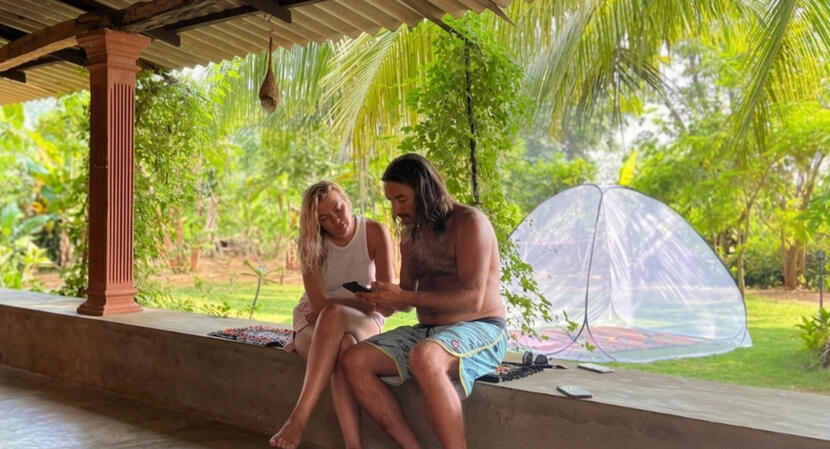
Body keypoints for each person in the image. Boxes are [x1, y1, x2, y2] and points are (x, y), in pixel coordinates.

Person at [342, 154, 507, 449]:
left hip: (481, 327)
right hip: (428, 333)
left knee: (425, 357)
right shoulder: (410, 236)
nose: (395, 210)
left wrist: (405, 296)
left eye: (402, 199)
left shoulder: (469, 222)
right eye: (391, 201)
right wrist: (381, 296)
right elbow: (406, 300)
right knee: (354, 360)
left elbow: (473, 299)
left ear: (425, 190)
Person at [270, 181, 395, 449]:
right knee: (343, 347)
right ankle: (353, 445)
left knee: (334, 315)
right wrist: (347, 304)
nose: (336, 220)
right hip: (311, 322)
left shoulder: (374, 232)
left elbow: (388, 303)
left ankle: (298, 420)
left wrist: (349, 307)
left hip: (365, 320)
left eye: (338, 209)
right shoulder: (310, 243)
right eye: (325, 218)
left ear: (347, 202)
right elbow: (316, 303)